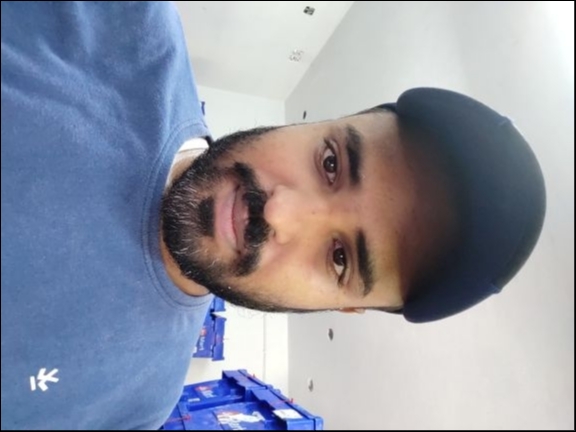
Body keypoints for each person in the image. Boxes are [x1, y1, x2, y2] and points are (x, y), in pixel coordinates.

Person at [0, 2, 546, 430]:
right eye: (330, 163)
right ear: (328, 121)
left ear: (344, 307)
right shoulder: (117, 22)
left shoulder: (138, 401)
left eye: (340, 258)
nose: (281, 211)